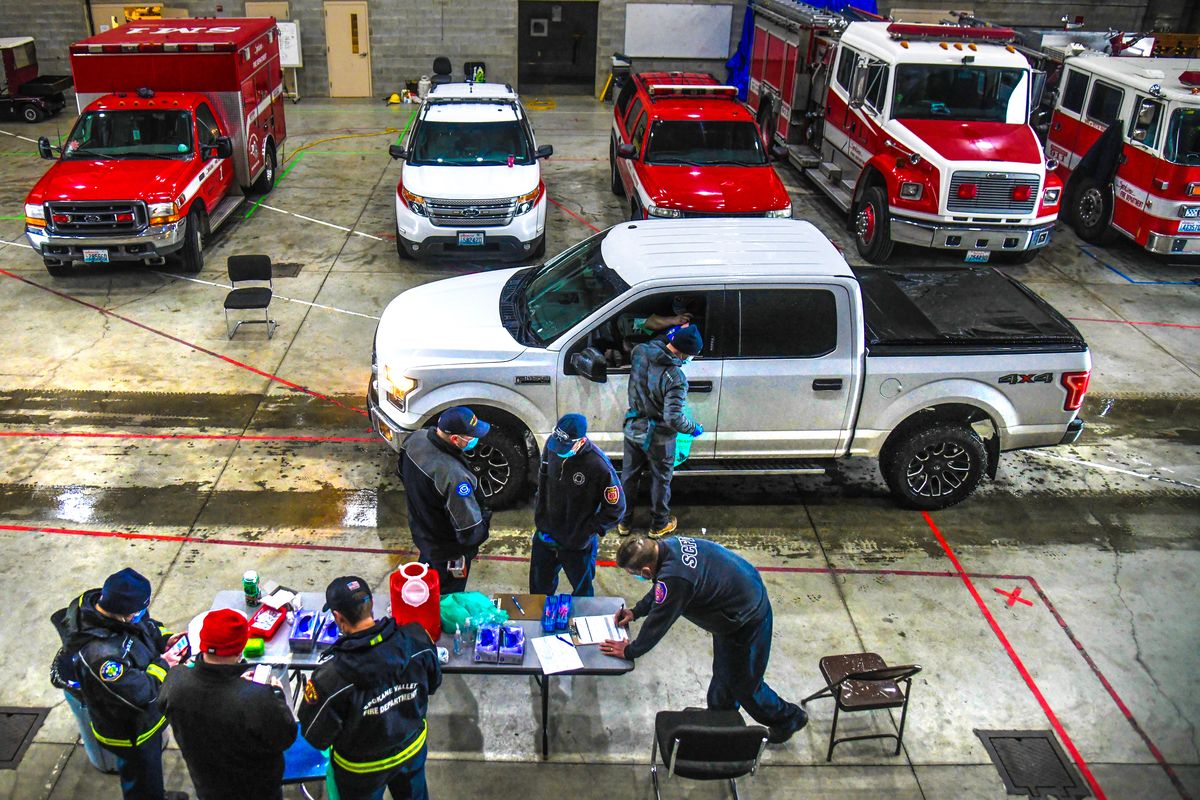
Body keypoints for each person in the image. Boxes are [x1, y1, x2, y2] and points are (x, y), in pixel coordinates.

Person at [600, 536, 808, 745]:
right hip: (732, 605)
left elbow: (658, 622)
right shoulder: (667, 547)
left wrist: (629, 651)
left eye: (635, 574)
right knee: (724, 673)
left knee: (746, 685)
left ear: (645, 571)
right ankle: (721, 720)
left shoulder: (677, 578)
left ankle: (789, 719)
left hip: (747, 618)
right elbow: (660, 589)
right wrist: (636, 612)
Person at [299, 576, 442, 800]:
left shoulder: (330, 679)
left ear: (337, 617)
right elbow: (433, 684)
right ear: (372, 603)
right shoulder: (417, 642)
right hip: (410, 751)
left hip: (361, 771)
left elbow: (316, 736)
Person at [51, 568, 188, 800]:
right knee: (141, 778)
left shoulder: (116, 611)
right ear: (124, 613)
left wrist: (166, 640)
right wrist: (163, 664)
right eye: (138, 611)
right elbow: (141, 692)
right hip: (131, 732)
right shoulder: (101, 658)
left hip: (145, 723)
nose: (142, 614)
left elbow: (148, 625)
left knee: (150, 774)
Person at [159, 609, 298, 800]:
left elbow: (208, 702)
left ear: (203, 643)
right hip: (257, 790)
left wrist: (235, 684)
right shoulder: (258, 700)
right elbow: (285, 737)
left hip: (208, 785)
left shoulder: (175, 680)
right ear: (241, 648)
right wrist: (276, 695)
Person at [619, 323, 704, 537]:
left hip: (633, 429)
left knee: (629, 477)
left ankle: (624, 522)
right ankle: (658, 524)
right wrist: (693, 428)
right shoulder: (676, 378)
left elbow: (655, 346)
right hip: (658, 437)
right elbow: (673, 417)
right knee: (661, 479)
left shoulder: (640, 352)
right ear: (684, 353)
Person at [530, 413, 625, 596]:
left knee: (583, 594)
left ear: (580, 442)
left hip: (576, 544)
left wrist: (586, 530)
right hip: (546, 534)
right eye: (557, 446)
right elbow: (543, 482)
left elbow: (616, 508)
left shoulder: (598, 465)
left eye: (564, 447)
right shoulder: (552, 445)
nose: (558, 451)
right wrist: (540, 516)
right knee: (539, 591)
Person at [400, 406, 493, 592]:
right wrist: (478, 537)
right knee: (448, 600)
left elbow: (402, 473)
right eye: (471, 436)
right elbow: (469, 528)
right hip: (448, 551)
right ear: (455, 439)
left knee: (428, 580)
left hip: (424, 533)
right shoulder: (454, 476)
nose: (476, 439)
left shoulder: (416, 438)